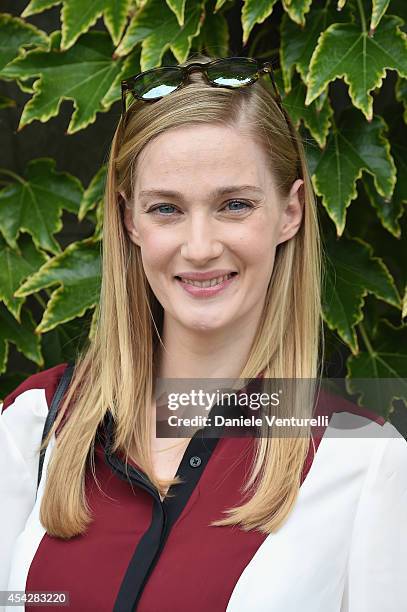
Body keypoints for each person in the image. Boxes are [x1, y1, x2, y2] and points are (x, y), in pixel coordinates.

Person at [1, 53, 406, 612]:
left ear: (290, 212)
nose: (199, 247)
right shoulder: (35, 423)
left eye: (234, 205)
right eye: (166, 208)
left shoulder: (364, 461)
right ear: (129, 220)